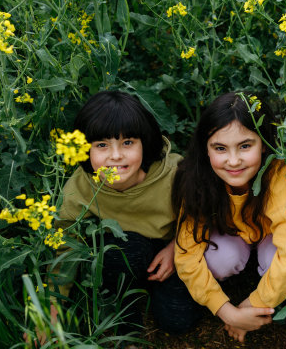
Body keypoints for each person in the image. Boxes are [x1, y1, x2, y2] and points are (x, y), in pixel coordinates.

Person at [51, 90, 198, 335]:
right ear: (83, 150)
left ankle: (153, 286)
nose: (116, 155)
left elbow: (199, 218)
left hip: (173, 251)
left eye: (128, 143)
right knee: (118, 251)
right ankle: (125, 314)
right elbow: (66, 246)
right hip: (124, 252)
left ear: (145, 142)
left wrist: (176, 248)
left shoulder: (175, 174)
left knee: (179, 323)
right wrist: (52, 306)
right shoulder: (79, 189)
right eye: (101, 145)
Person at [171, 92, 286, 343]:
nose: (234, 160)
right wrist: (226, 311)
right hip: (230, 233)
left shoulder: (278, 173)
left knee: (284, 263)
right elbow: (186, 256)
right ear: (205, 149)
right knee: (221, 259)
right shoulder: (196, 179)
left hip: (270, 235)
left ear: (265, 143)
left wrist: (252, 306)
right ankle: (241, 278)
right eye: (220, 148)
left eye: (245, 146)